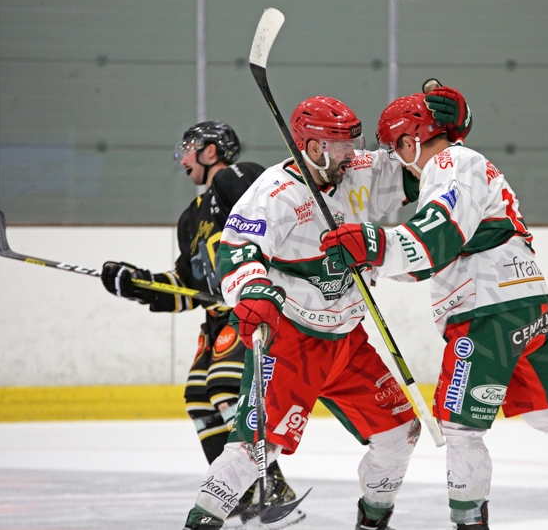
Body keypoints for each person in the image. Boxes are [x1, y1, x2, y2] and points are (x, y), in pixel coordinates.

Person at [320, 93, 548, 530]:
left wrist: (373, 243)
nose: (397, 159)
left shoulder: (449, 164)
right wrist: (371, 257)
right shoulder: (467, 168)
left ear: (413, 140)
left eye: (396, 146)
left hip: (488, 310)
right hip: (523, 302)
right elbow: (433, 255)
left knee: (461, 430)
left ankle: (470, 525)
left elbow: (438, 236)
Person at [182, 86, 471, 530]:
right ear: (313, 147)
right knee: (255, 446)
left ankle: (372, 521)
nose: (351, 153)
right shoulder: (274, 192)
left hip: (349, 342)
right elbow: (238, 251)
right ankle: (201, 522)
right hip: (293, 341)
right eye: (340, 146)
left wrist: (450, 128)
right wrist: (253, 293)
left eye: (353, 143)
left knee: (400, 434)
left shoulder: (361, 170)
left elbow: (424, 166)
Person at [100, 121, 301, 527]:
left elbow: (279, 218)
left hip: (252, 304)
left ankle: (271, 482)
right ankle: (239, 492)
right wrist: (137, 284)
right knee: (196, 395)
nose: (184, 157)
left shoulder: (237, 177)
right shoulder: (188, 219)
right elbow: (187, 288)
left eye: (190, 147)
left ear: (212, 151)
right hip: (216, 317)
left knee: (223, 386)